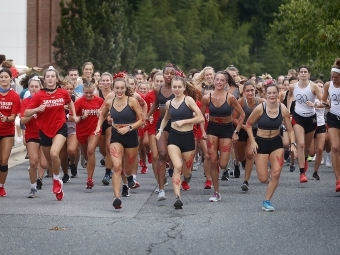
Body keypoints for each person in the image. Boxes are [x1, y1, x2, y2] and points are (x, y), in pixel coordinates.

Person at [25, 66, 78, 201]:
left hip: (60, 127)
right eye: (47, 76)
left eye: (52, 76)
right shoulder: (39, 95)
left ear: (56, 78)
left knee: (55, 153)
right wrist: (37, 109)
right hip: (44, 130)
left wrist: (74, 114)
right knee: (49, 161)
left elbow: (70, 101)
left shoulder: (62, 92)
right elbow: (26, 113)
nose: (50, 78)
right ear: (45, 79)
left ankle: (56, 180)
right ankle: (57, 179)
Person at [95, 73, 144, 209]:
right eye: (117, 88)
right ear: (113, 88)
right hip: (116, 135)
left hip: (130, 135)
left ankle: (128, 178)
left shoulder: (132, 100)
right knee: (116, 166)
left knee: (126, 168)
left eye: (122, 88)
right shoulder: (110, 101)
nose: (119, 91)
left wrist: (129, 128)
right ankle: (116, 198)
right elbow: (102, 115)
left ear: (125, 88)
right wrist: (98, 127)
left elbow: (141, 120)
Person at [245, 82, 297, 211]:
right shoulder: (260, 108)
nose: (272, 95)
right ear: (265, 94)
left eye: (274, 93)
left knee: (276, 173)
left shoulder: (283, 109)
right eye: (269, 93)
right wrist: (252, 141)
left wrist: (293, 145)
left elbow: (290, 130)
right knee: (263, 178)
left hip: (276, 143)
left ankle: (267, 201)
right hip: (261, 143)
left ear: (277, 94)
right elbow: (248, 124)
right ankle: (268, 170)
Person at [156, 76, 204, 209]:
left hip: (188, 138)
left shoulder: (188, 100)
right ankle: (177, 197)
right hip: (174, 138)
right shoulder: (169, 103)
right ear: (171, 88)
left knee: (187, 172)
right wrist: (160, 130)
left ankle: (187, 178)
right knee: (177, 166)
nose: (176, 89)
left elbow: (200, 117)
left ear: (184, 88)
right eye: (174, 87)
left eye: (179, 87)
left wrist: (185, 121)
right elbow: (166, 118)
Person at [201, 71, 245, 202]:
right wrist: (203, 131)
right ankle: (216, 192)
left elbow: (242, 115)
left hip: (227, 130)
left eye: (222, 80)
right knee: (213, 161)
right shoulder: (206, 97)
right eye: (217, 80)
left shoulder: (230, 98)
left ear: (226, 82)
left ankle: (222, 164)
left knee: (223, 164)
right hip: (212, 129)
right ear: (213, 81)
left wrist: (236, 131)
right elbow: (200, 116)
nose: (219, 82)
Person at [146, 63, 178, 201]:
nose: (169, 76)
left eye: (172, 73)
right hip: (162, 123)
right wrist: (147, 115)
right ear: (163, 74)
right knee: (162, 154)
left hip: (177, 124)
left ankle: (176, 174)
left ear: (175, 75)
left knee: (173, 155)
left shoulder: (179, 88)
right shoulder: (158, 89)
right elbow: (155, 104)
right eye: (167, 73)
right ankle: (161, 189)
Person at [288, 65, 322, 183]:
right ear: (298, 74)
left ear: (309, 74)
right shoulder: (293, 86)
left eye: (305, 72)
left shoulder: (313, 87)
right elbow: (290, 95)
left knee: (307, 147)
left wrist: (315, 105)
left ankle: (305, 160)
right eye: (301, 72)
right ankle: (302, 173)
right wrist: (288, 110)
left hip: (311, 117)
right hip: (298, 116)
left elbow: (324, 102)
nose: (303, 74)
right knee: (301, 144)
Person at [233, 80, 265, 191]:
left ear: (255, 91)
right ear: (244, 92)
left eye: (252, 90)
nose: (250, 93)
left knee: (250, 154)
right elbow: (234, 118)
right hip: (242, 129)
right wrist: (243, 127)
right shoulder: (241, 102)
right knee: (242, 157)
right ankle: (240, 162)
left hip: (255, 130)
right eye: (248, 91)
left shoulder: (261, 102)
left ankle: (246, 181)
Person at [72, 78, 104, 189]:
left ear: (94, 91)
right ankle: (83, 156)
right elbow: (71, 117)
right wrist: (81, 117)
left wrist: (103, 115)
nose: (89, 95)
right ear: (83, 91)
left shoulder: (99, 101)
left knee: (91, 151)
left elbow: (106, 113)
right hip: (82, 132)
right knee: (86, 154)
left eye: (91, 92)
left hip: (94, 130)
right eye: (86, 93)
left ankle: (89, 179)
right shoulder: (79, 102)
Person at [20, 76, 48, 197]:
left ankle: (40, 178)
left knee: (44, 164)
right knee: (33, 162)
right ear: (28, 87)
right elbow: (23, 120)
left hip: (45, 133)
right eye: (31, 86)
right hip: (32, 134)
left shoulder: (46, 100)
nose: (34, 89)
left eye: (36, 86)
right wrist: (33, 113)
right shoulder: (26, 102)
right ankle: (33, 188)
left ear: (41, 88)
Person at [0, 68, 21, 196]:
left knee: (3, 160)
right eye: (1, 77)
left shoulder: (15, 96)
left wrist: (6, 118)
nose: (3, 79)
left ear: (11, 79)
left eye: (5, 77)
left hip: (7, 131)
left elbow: (13, 117)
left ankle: (1, 186)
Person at [321, 58, 340, 191]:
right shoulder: (328, 85)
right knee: (335, 147)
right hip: (333, 118)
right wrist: (325, 104)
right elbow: (323, 101)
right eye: (332, 77)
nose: (333, 80)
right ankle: (338, 180)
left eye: (336, 78)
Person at [307, 80, 326, 180]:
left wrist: (315, 105)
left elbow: (327, 105)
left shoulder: (324, 98)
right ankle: (304, 163)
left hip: (321, 124)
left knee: (320, 149)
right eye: (318, 86)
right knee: (311, 152)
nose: (320, 88)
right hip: (311, 124)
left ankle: (315, 172)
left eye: (321, 86)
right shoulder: (311, 96)